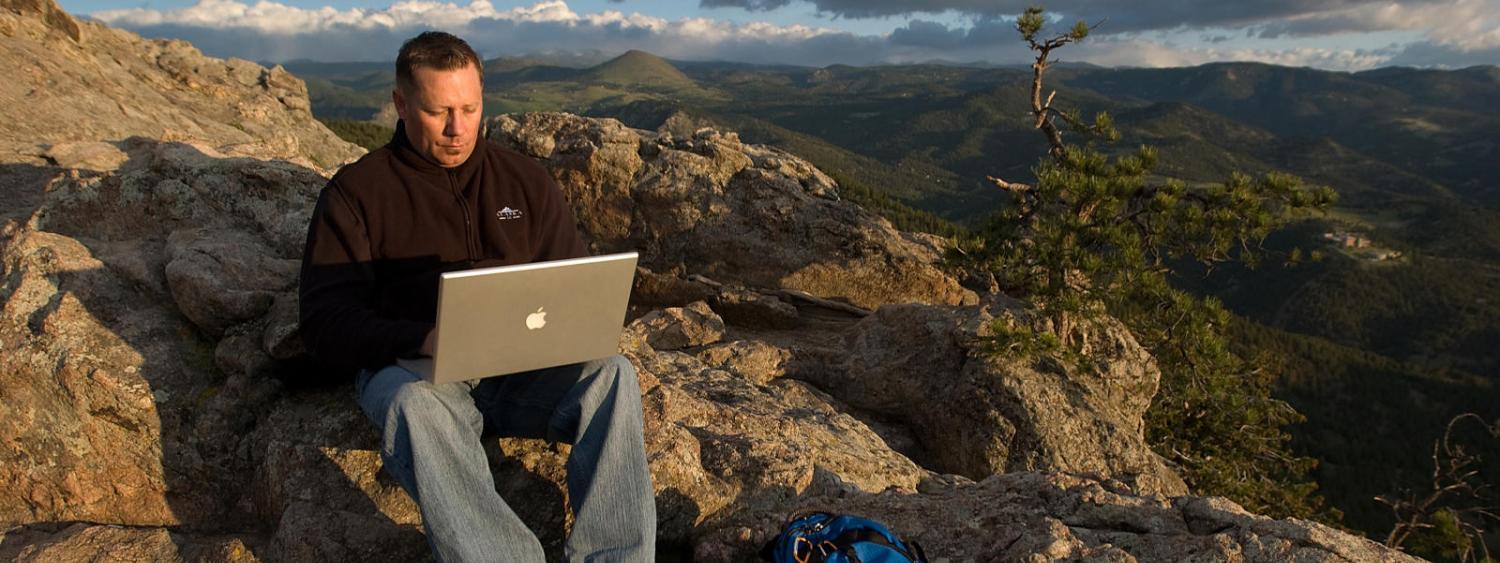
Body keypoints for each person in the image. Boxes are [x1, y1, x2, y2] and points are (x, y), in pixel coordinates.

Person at [297, 31, 655, 562]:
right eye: (438, 110)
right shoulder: (357, 193)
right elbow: (324, 323)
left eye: (469, 107)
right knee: (414, 406)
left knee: (611, 373)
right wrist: (424, 337)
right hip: (417, 370)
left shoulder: (524, 180)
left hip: (522, 368)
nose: (457, 128)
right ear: (400, 103)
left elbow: (570, 282)